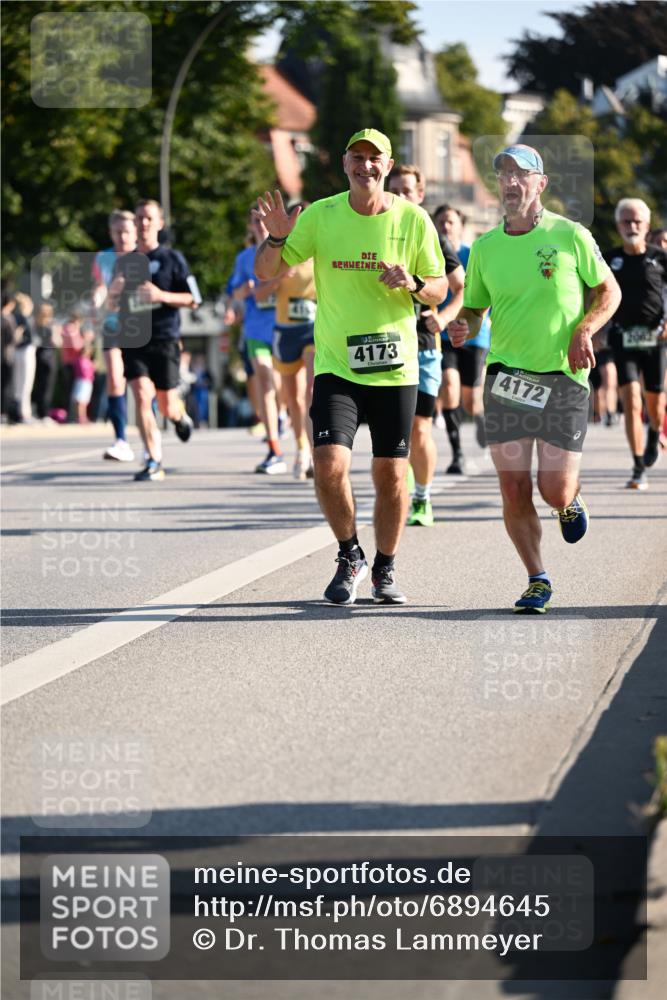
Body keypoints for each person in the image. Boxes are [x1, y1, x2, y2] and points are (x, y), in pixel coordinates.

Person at [254, 128, 447, 604]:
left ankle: (385, 567)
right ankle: (349, 553)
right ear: (345, 164)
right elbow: (265, 271)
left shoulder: (414, 219)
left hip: (395, 368)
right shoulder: (321, 216)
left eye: (374, 158)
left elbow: (441, 289)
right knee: (328, 464)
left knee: (390, 475)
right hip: (338, 366)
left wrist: (416, 282)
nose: (366, 166)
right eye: (357, 158)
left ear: (387, 164)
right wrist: (277, 238)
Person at [449, 144, 621, 614]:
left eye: (521, 174)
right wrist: (463, 323)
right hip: (506, 378)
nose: (510, 182)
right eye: (503, 173)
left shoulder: (570, 235)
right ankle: (537, 578)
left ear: (540, 183)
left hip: (564, 378)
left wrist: (585, 328)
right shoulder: (485, 247)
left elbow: (609, 290)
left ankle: (569, 500)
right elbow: (474, 306)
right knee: (512, 487)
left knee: (553, 488)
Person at [387, 165, 460, 526]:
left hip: (425, 344)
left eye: (407, 191)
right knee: (395, 429)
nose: (401, 197)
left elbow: (461, 290)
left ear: (420, 193)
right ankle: (402, 486)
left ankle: (422, 497)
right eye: (394, 189)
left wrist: (444, 320)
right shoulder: (375, 229)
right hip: (385, 343)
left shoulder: (432, 233)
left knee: (419, 428)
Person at [109, 199, 197, 482]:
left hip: (164, 339)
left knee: (166, 404)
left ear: (159, 224)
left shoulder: (173, 259)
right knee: (141, 397)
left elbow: (194, 299)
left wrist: (161, 296)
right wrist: (116, 290)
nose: (143, 223)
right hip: (133, 340)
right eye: (139, 219)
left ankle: (179, 417)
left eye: (148, 218)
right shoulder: (124, 263)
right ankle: (153, 460)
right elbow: (111, 305)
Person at [605, 198, 667, 490]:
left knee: (655, 405)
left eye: (637, 222)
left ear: (647, 225)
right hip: (623, 336)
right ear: (619, 225)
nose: (632, 226)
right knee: (630, 398)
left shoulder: (660, 257)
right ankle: (639, 464)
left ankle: (655, 431)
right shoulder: (609, 259)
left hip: (656, 338)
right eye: (626, 221)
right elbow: (596, 294)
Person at [230, 212, 288, 474]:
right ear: (250, 226)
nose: (261, 226)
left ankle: (283, 413)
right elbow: (236, 291)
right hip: (256, 328)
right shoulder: (244, 258)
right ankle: (274, 446)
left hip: (286, 325)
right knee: (265, 379)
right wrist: (243, 292)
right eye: (256, 221)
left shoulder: (289, 251)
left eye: (265, 221)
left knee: (282, 384)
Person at [434, 204, 491, 472]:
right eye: (441, 221)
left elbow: (486, 294)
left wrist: (473, 321)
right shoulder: (430, 255)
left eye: (450, 222)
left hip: (474, 336)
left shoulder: (473, 254)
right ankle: (457, 454)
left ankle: (480, 418)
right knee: (449, 384)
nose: (445, 226)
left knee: (471, 399)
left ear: (460, 225)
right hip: (442, 333)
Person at [271, 202, 317, 480]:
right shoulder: (281, 254)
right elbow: (259, 292)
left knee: (312, 391)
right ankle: (300, 446)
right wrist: (277, 278)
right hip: (285, 331)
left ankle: (314, 454)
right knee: (294, 398)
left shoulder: (319, 252)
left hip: (312, 328)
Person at [91, 210, 138, 461]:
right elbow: (100, 286)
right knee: (115, 378)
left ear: (135, 232)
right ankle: (121, 440)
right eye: (117, 232)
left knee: (145, 384)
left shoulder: (144, 256)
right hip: (112, 324)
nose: (122, 236)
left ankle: (159, 421)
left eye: (126, 231)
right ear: (111, 232)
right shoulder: (103, 257)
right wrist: (95, 300)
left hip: (142, 326)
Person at [32, 302, 62, 420]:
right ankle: (44, 413)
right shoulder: (51, 326)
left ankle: (37, 410)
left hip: (38, 356)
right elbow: (57, 342)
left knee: (38, 385)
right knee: (47, 386)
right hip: (49, 358)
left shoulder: (36, 324)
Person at [71, 341, 95, 423]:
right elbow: (83, 372)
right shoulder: (80, 360)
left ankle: (83, 416)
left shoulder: (88, 360)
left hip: (87, 382)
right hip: (82, 382)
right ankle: (80, 417)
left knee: (84, 402)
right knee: (81, 401)